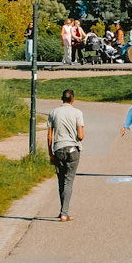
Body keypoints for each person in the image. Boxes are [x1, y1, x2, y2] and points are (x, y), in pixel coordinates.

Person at [47, 87, 84, 220]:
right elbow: (80, 136)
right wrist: (77, 137)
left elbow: (49, 136)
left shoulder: (53, 112)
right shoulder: (77, 113)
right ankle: (64, 213)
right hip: (72, 149)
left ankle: (63, 209)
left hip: (58, 149)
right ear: (73, 99)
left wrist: (50, 153)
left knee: (61, 181)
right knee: (68, 181)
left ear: (62, 98)